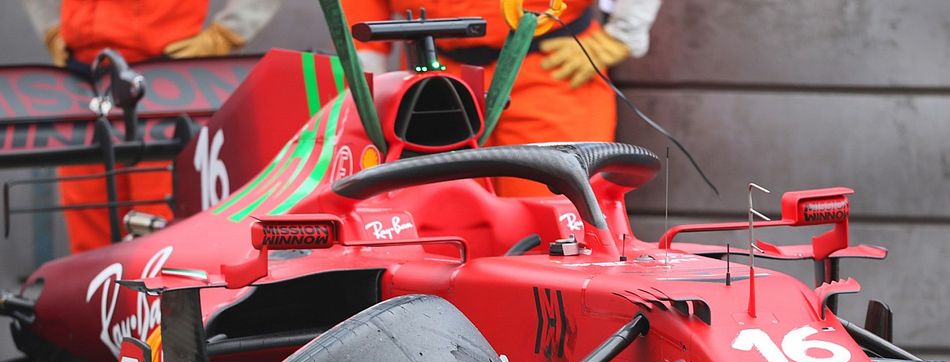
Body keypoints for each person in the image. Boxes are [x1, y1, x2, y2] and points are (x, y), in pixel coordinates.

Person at [22, 0, 281, 254]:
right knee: (89, 227)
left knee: (162, 229)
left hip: (164, 78)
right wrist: (52, 29)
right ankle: (95, 295)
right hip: (83, 79)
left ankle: (163, 297)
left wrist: (228, 33)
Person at [342, 0, 661, 196]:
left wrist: (623, 34)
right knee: (440, 221)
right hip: (433, 78)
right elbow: (361, 15)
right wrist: (371, 89)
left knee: (558, 216)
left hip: (550, 68)